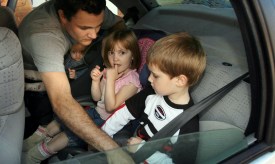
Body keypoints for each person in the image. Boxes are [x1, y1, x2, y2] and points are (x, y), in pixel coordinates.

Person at [18, 0, 132, 160]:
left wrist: (88, 45)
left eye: (98, 26)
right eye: (84, 28)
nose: (94, 35)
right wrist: (113, 150)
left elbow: (119, 25)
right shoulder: (44, 36)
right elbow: (62, 101)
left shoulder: (92, 11)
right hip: (39, 77)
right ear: (63, 16)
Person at [101, 32, 207, 163]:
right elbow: (123, 113)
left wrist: (143, 150)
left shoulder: (187, 123)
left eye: (155, 75)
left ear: (180, 81)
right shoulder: (151, 92)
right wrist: (101, 138)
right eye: (150, 72)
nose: (149, 78)